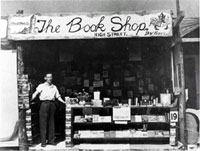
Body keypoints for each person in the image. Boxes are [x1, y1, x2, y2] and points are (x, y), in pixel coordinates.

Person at [31, 73, 65, 147]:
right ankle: (43, 142)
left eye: (51, 77)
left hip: (52, 104)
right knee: (43, 123)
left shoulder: (54, 87)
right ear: (45, 78)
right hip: (44, 104)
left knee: (51, 122)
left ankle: (51, 141)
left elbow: (58, 96)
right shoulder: (41, 86)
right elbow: (35, 93)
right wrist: (30, 100)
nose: (49, 79)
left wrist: (64, 102)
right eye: (48, 77)